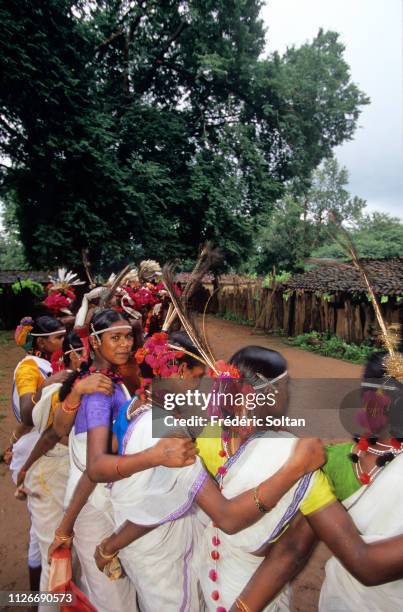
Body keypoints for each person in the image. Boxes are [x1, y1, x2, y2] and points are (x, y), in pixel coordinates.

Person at [91, 336, 326, 612]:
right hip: (236, 584)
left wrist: (112, 544)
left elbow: (166, 497)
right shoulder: (297, 454)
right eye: (286, 387)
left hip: (232, 583)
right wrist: (295, 468)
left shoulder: (206, 437)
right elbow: (205, 509)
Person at [49, 310, 197, 612]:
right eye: (115, 338)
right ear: (95, 341)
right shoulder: (97, 390)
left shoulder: (117, 381)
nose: (124, 344)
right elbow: (90, 463)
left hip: (110, 497)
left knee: (124, 587)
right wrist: (66, 527)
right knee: (112, 599)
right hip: (91, 504)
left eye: (128, 336)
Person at [14, 332, 112, 602]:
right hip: (56, 470)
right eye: (116, 339)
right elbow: (50, 432)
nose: (125, 346)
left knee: (56, 551)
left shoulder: (81, 383)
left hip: (58, 469)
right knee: (54, 557)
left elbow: (49, 433)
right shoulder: (75, 385)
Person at [10, 315, 67, 591]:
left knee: (46, 527)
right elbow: (27, 414)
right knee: (40, 532)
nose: (62, 342)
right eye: (57, 338)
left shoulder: (45, 361)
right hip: (35, 449)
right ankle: (38, 595)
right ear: (42, 341)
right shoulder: (29, 369)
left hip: (46, 446)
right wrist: (51, 383)